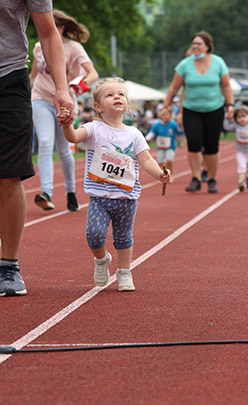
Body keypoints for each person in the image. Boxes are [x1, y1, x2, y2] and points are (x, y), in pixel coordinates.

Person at [60, 77, 171, 291]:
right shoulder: (93, 129)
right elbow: (73, 137)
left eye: (120, 94)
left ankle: (124, 272)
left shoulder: (134, 134)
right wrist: (67, 125)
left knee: (124, 237)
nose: (117, 97)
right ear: (98, 107)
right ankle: (101, 260)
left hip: (126, 198)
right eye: (110, 95)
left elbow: (146, 159)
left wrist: (159, 174)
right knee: (94, 235)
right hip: (99, 198)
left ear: (127, 104)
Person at [0, 1, 74, 297]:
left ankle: (8, 266)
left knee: (9, 176)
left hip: (9, 78)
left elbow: (48, 32)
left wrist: (62, 88)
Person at [30, 9, 99, 211]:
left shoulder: (74, 48)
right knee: (44, 142)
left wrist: (79, 85)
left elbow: (93, 73)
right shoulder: (37, 47)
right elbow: (34, 76)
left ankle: (70, 191)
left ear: (60, 28)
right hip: (41, 98)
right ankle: (46, 193)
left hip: (66, 101)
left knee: (64, 149)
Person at [162, 31, 235, 193]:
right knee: (193, 142)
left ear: (207, 46)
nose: (194, 46)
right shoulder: (184, 65)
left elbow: (226, 85)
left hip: (214, 109)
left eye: (198, 44)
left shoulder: (218, 63)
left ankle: (211, 179)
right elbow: (174, 88)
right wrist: (165, 106)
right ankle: (195, 177)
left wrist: (230, 105)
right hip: (191, 110)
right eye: (193, 43)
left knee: (212, 146)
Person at [223, 106, 248, 191]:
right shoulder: (236, 125)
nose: (242, 119)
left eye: (244, 116)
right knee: (241, 166)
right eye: (239, 117)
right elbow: (226, 127)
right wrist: (226, 118)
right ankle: (241, 182)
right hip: (240, 151)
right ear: (236, 118)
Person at [146, 106, 178, 175]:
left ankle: (170, 174)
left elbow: (179, 131)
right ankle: (166, 172)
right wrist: (146, 139)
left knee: (168, 161)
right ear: (160, 115)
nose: (165, 116)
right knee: (160, 162)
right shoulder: (157, 125)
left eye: (167, 114)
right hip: (161, 147)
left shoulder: (173, 124)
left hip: (170, 146)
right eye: (163, 115)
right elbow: (152, 133)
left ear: (170, 115)